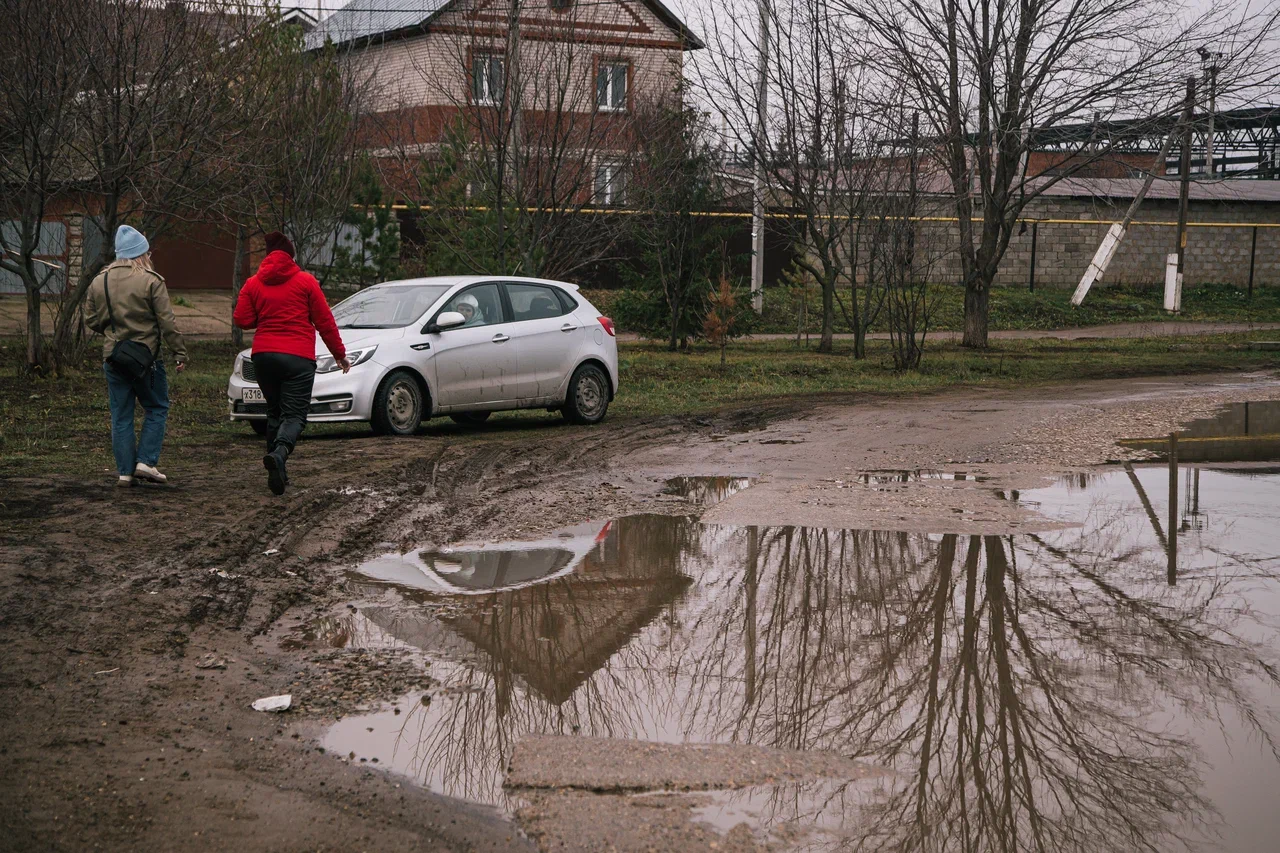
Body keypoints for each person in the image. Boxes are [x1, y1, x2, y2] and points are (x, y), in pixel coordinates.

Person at [233, 231, 348, 495]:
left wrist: (265, 317)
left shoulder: (252, 283)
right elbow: (325, 322)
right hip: (297, 358)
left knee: (274, 412)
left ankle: (278, 472)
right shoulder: (306, 282)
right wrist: (339, 354)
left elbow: (241, 318)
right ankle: (281, 453)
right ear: (291, 255)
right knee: (294, 415)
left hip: (263, 357)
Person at [84, 225, 188, 487]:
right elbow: (167, 322)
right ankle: (147, 462)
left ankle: (124, 472)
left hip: (114, 359)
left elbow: (91, 319)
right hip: (148, 362)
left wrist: (111, 331)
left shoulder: (100, 281)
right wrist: (179, 352)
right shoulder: (152, 281)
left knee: (121, 415)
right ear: (141, 253)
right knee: (157, 406)